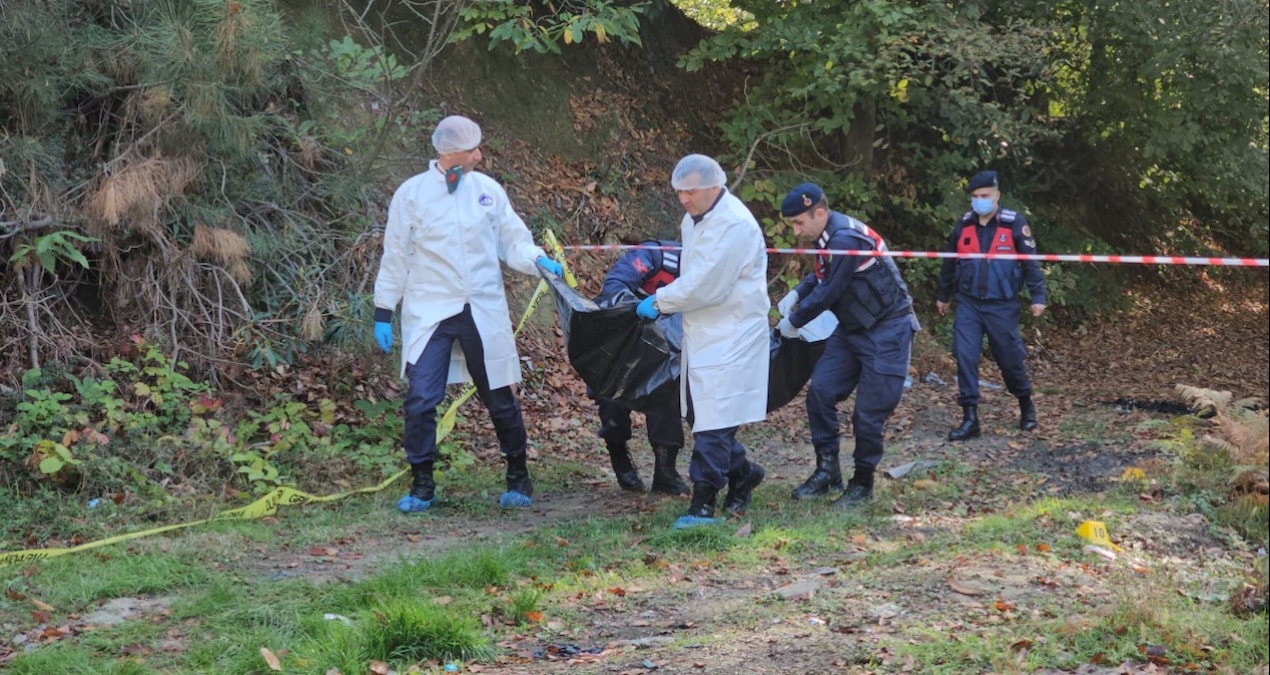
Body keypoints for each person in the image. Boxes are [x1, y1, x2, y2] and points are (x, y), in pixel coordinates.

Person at [372, 115, 565, 513]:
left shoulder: (488, 191)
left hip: (482, 307)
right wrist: (383, 309)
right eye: (472, 149)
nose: (479, 155)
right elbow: (396, 255)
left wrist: (539, 261)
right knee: (421, 398)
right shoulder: (411, 195)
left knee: (500, 396)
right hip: (431, 309)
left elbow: (513, 241)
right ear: (449, 152)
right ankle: (422, 484)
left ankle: (518, 475)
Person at [634, 154, 769, 529]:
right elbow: (693, 274)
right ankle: (744, 473)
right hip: (703, 330)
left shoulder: (734, 225)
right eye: (679, 192)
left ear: (714, 187)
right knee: (702, 416)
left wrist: (660, 301)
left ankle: (703, 503)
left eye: (690, 192)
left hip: (734, 332)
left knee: (713, 421)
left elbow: (707, 286)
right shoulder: (692, 220)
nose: (683, 199)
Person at [775, 183, 919, 509]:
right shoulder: (826, 236)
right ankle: (828, 472)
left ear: (819, 213)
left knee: (868, 413)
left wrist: (795, 321)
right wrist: (798, 292)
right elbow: (821, 276)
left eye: (799, 223)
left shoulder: (845, 239)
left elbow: (830, 291)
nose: (796, 231)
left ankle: (862, 484)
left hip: (887, 330)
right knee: (821, 392)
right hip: (852, 329)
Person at [936, 169, 1046, 441]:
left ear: (997, 196)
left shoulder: (1013, 223)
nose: (980, 201)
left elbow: (1030, 263)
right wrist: (943, 295)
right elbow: (949, 263)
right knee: (965, 356)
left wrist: (1038, 296)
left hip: (1002, 305)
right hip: (969, 303)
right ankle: (970, 419)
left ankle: (1025, 403)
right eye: (975, 196)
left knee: (1010, 361)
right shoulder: (964, 225)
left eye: (985, 195)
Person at [592, 240, 689, 495]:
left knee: (667, 394)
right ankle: (618, 455)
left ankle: (665, 471)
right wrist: (640, 308)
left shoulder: (708, 269)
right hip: (624, 339)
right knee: (611, 400)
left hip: (666, 348)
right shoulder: (653, 255)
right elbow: (614, 286)